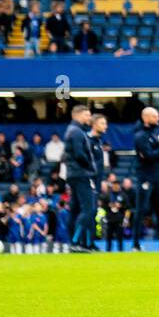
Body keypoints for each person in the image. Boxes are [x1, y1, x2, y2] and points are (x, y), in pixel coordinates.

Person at [132, 105, 159, 251]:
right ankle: (135, 244)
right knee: (141, 210)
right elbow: (148, 156)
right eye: (155, 116)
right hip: (145, 178)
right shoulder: (140, 136)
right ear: (146, 118)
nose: (158, 119)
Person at [64, 105, 98, 252]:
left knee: (76, 209)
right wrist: (90, 166)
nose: (89, 118)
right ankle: (76, 242)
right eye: (87, 115)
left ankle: (80, 243)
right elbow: (79, 154)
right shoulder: (77, 132)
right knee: (88, 209)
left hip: (74, 174)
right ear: (77, 115)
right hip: (81, 174)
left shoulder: (73, 131)